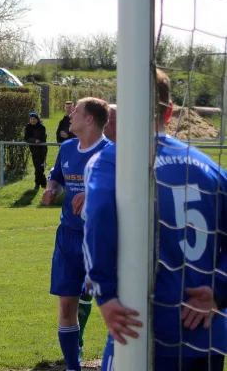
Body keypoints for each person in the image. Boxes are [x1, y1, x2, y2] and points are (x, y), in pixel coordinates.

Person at [83, 70, 227, 370]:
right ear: (171, 110)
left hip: (141, 329)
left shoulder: (113, 161)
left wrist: (105, 295)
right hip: (206, 334)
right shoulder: (210, 168)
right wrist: (220, 291)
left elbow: (98, 223)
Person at [42, 97, 111, 371]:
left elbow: (126, 192)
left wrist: (92, 194)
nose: (70, 114)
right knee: (65, 306)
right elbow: (57, 178)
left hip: (100, 239)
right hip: (68, 237)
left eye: (77, 111)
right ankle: (73, 367)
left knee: (113, 304)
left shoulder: (110, 152)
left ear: (90, 119)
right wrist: (52, 190)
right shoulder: (68, 147)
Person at [72, 103, 117, 355]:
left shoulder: (107, 158)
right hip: (77, 233)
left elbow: (101, 212)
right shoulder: (74, 148)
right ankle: (78, 343)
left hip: (109, 241)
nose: (109, 122)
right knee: (80, 295)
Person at [23, 112, 47, 189]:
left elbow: (43, 138)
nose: (32, 121)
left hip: (42, 149)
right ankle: (42, 183)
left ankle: (40, 183)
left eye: (34, 119)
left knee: (40, 167)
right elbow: (26, 138)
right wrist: (34, 140)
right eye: (31, 119)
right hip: (33, 149)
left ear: (37, 119)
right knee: (37, 167)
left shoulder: (42, 127)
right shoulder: (28, 127)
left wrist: (38, 141)